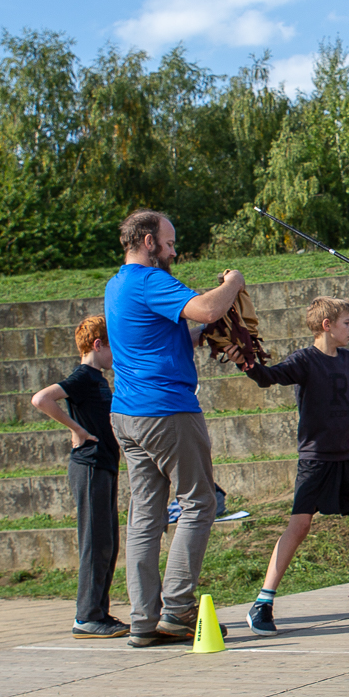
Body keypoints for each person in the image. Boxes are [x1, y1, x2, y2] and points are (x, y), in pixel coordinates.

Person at [106, 210, 248, 648]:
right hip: (167, 411)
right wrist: (234, 281)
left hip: (127, 415)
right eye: (168, 242)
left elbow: (160, 338)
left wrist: (201, 334)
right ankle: (179, 609)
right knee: (199, 502)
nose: (173, 250)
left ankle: (143, 620)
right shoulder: (150, 280)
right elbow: (207, 306)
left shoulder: (116, 285)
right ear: (148, 241)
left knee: (146, 515)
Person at [239, 297, 349, 632]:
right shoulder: (304, 361)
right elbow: (269, 377)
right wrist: (249, 366)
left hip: (346, 457)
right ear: (327, 326)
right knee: (300, 526)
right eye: (347, 323)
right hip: (315, 461)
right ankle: (262, 603)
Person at [30, 315, 125, 638]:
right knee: (95, 541)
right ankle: (86, 616)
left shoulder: (98, 378)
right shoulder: (84, 376)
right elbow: (41, 399)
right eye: (112, 347)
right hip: (89, 466)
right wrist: (78, 429)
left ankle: (98, 611)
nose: (116, 354)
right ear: (97, 345)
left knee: (107, 542)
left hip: (104, 465)